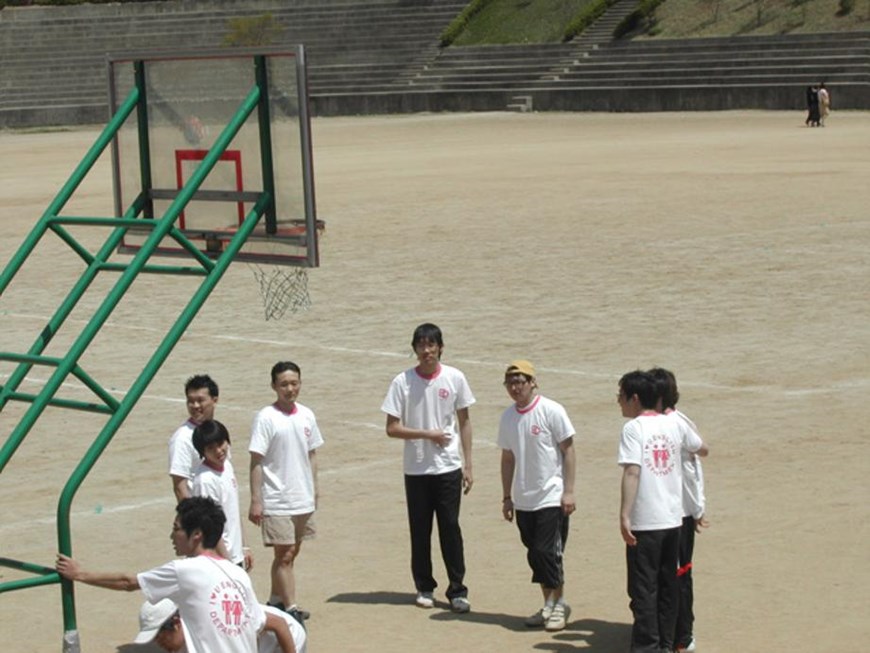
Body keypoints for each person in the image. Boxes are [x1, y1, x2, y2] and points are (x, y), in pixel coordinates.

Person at [55, 497, 296, 653]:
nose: (172, 536)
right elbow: (262, 625)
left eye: (176, 529)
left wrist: (80, 573)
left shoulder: (185, 570)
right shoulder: (238, 574)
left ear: (197, 534)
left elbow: (127, 582)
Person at [381, 322, 475, 613]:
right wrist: (427, 434)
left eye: (431, 345)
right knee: (420, 531)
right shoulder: (402, 382)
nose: (426, 351)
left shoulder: (455, 378)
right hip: (417, 470)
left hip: (448, 468)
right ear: (415, 349)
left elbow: (465, 422)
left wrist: (468, 464)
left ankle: (457, 590)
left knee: (450, 529)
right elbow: (392, 428)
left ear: (440, 348)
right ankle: (424, 586)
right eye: (421, 345)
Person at [617, 370, 708, 653]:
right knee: (669, 583)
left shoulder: (633, 429)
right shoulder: (674, 423)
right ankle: (667, 643)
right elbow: (701, 448)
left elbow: (632, 472)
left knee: (644, 588)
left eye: (621, 396)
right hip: (673, 519)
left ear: (634, 398)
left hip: (646, 521)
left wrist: (625, 515)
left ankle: (648, 647)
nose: (618, 401)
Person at [498, 360, 577, 632]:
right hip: (524, 499)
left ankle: (560, 604)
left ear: (532, 383)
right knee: (535, 554)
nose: (515, 388)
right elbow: (508, 458)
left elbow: (568, 450)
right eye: (510, 383)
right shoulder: (507, 417)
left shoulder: (551, 410)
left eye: (520, 381)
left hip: (551, 496)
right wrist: (506, 497)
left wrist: (568, 491)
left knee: (548, 552)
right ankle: (548, 604)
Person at [249, 361, 323, 625]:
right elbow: (256, 461)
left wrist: (314, 489)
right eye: (284, 384)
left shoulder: (307, 415)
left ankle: (275, 601)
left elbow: (311, 454)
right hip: (277, 499)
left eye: (294, 383)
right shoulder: (266, 417)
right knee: (286, 554)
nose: (290, 389)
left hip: (302, 497)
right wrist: (256, 500)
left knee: (291, 553)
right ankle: (291, 608)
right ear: (274, 386)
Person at [649, 368, 708, 653]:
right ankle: (668, 631)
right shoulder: (658, 423)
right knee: (665, 575)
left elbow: (695, 467)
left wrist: (697, 509)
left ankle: (683, 635)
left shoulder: (676, 423)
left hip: (679, 514)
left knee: (678, 574)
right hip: (663, 513)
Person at [132, 597, 307, 653]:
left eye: (159, 636)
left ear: (177, 623)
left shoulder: (218, 620)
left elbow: (279, 624)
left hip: (285, 640)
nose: (158, 643)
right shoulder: (183, 641)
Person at [191, 419, 252, 571]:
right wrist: (227, 562)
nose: (218, 451)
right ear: (202, 451)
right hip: (220, 560)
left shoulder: (227, 466)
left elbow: (234, 511)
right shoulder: (205, 481)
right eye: (211, 448)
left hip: (234, 555)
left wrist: (244, 547)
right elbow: (210, 526)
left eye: (220, 444)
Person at [169, 375, 221, 501]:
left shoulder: (218, 430)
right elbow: (180, 487)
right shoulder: (182, 438)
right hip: (202, 510)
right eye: (191, 401)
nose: (195, 405)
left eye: (200, 400)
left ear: (214, 400)